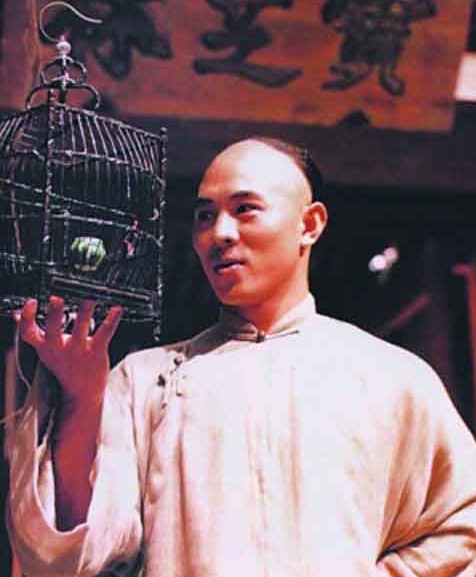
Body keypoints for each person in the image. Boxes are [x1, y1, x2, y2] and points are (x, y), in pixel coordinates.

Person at [6, 137, 476, 576]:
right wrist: (83, 398)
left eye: (245, 209)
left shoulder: (390, 378)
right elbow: (73, 553)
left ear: (309, 224)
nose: (220, 233)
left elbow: (461, 526)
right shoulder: (147, 381)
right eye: (204, 216)